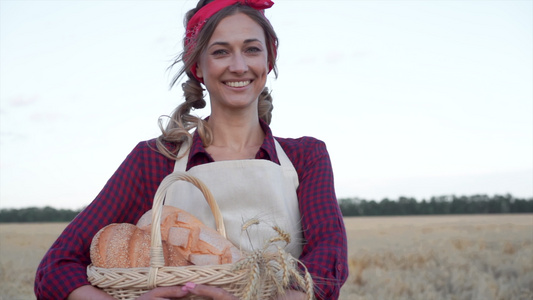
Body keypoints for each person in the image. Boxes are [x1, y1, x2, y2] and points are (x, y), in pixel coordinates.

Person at [34, 0, 348, 299]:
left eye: (252, 49)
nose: (238, 66)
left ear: (269, 59)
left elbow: (328, 258)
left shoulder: (306, 157)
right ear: (197, 65)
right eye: (221, 52)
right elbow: (57, 265)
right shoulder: (155, 160)